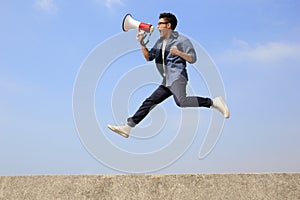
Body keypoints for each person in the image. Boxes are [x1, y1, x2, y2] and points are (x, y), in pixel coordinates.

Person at [108, 12, 229, 138]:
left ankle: (213, 102)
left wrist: (179, 53)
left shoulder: (182, 40)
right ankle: (128, 128)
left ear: (168, 25)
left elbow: (193, 58)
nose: (158, 26)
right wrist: (142, 43)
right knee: (149, 102)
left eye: (160, 23)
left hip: (178, 77)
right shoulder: (160, 42)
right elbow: (148, 57)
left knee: (181, 102)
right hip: (167, 81)